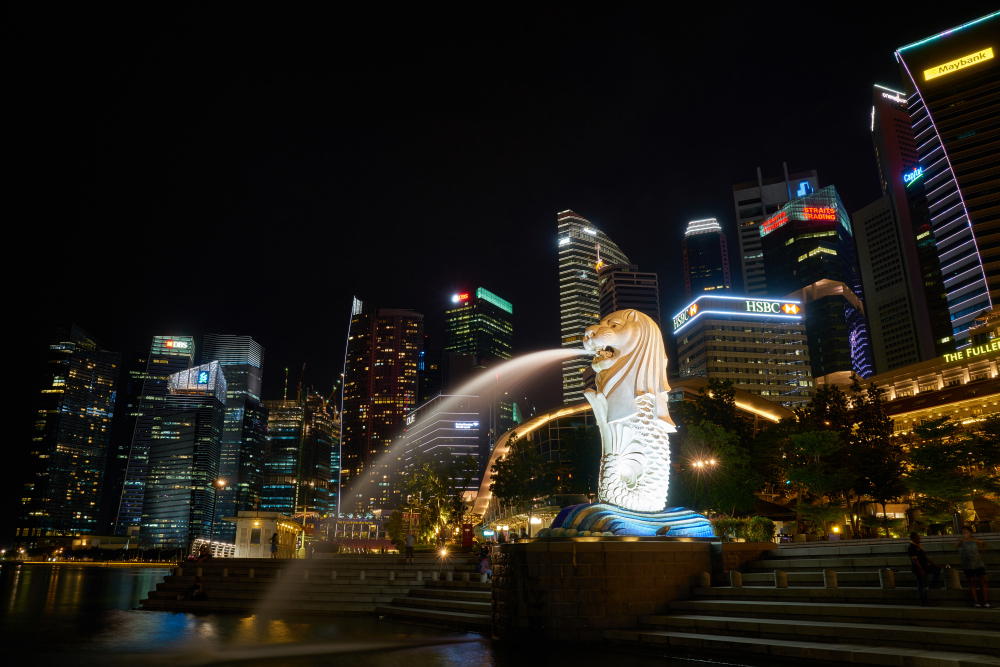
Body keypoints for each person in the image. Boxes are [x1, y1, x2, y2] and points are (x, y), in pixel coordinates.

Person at [958, 527, 990, 608]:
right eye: (963, 532)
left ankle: (986, 601)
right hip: (968, 565)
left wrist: (980, 547)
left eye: (966, 532)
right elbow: (956, 546)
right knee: (972, 583)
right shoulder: (961, 541)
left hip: (978, 564)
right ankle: (976, 602)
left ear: (970, 532)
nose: (965, 534)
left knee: (983, 582)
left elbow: (984, 545)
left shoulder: (975, 540)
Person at [908, 532, 942, 604]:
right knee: (921, 584)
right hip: (918, 568)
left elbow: (925, 557)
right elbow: (915, 560)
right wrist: (921, 569)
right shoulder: (911, 547)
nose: (920, 538)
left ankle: (932, 586)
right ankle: (923, 600)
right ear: (913, 538)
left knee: (936, 570)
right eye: (918, 537)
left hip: (925, 566)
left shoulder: (918, 546)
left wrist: (934, 564)